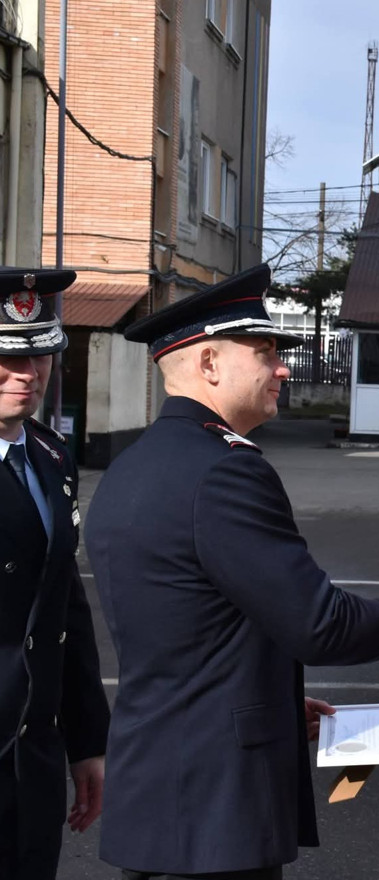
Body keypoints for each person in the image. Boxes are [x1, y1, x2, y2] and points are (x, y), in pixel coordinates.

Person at [85, 265, 379, 880]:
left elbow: (191, 631)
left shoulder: (134, 466)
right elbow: (319, 624)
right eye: (265, 352)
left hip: (163, 790)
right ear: (211, 365)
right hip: (212, 813)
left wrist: (269, 701)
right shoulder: (224, 471)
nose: (283, 368)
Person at [0, 268, 110, 880]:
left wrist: (87, 740)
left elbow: (63, 606)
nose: (28, 373)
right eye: (6, 356)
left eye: (39, 355)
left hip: (33, 752)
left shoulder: (48, 456)